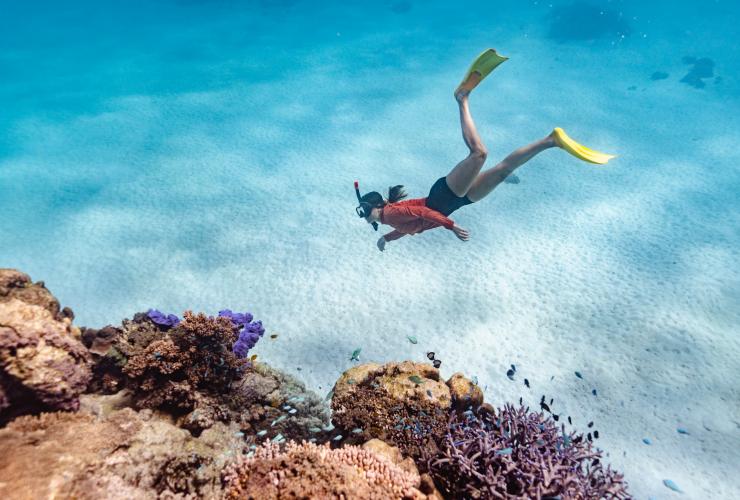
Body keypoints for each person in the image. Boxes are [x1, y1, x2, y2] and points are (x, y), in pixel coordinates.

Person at [354, 49, 616, 252]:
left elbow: (423, 214)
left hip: (446, 196)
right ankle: (551, 140)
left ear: (373, 207)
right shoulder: (390, 219)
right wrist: (387, 239)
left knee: (479, 153)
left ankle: (461, 99)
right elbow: (406, 228)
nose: (363, 216)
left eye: (363, 211)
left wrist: (451, 227)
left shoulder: (391, 213)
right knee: (503, 171)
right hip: (456, 201)